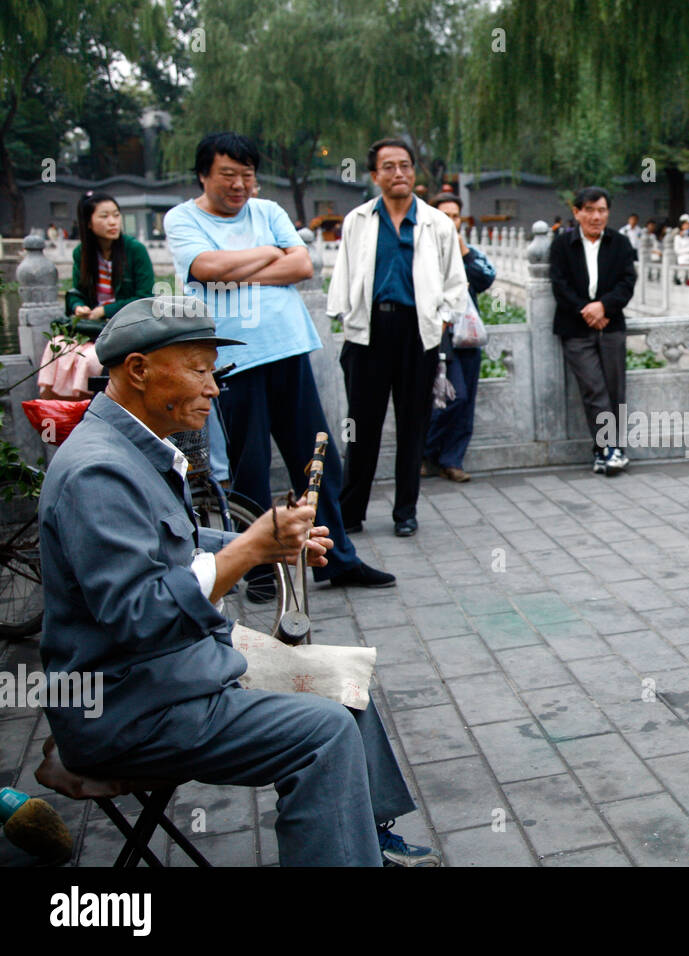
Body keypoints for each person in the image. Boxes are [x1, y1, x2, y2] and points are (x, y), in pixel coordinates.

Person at [39, 297, 438, 866]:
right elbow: (139, 613)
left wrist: (262, 546)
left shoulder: (129, 447)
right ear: (139, 370)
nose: (214, 387)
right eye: (199, 370)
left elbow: (172, 543)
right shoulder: (98, 470)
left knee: (344, 681)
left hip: (168, 675)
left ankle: (365, 839)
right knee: (322, 732)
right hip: (128, 707)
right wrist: (250, 548)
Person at [164, 131, 394, 589]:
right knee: (248, 470)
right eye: (228, 175)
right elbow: (205, 268)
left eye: (247, 176)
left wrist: (238, 265)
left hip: (287, 350)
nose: (239, 185)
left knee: (316, 459)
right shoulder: (182, 218)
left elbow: (302, 266)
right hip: (231, 361)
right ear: (204, 175)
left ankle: (337, 559)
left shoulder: (267, 210)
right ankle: (260, 572)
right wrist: (271, 253)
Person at [327, 138, 467, 537]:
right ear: (375, 175)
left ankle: (406, 511)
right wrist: (346, 319)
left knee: (413, 426)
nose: (399, 173)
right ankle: (351, 512)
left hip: (417, 332)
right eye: (388, 167)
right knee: (362, 426)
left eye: (405, 165)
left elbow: (455, 281)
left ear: (413, 172)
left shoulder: (437, 222)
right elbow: (343, 273)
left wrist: (440, 322)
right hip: (368, 333)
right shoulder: (357, 219)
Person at [549, 186, 638, 475]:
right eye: (589, 210)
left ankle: (605, 451)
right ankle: (611, 448)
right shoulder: (562, 244)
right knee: (594, 389)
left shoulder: (620, 243)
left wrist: (604, 307)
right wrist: (587, 310)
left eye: (601, 210)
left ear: (608, 213)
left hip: (610, 325)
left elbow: (627, 283)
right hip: (575, 328)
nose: (596, 216)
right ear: (577, 212)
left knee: (614, 389)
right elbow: (559, 285)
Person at [424, 191, 493, 483]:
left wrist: (462, 250)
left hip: (468, 336)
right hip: (438, 336)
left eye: (455, 216)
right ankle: (426, 453)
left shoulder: (470, 252)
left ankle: (453, 460)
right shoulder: (423, 253)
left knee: (466, 403)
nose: (451, 222)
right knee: (451, 397)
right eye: (444, 216)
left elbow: (485, 278)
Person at [65, 192, 155, 339]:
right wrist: (78, 307)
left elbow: (145, 298)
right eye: (104, 216)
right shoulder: (81, 253)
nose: (113, 222)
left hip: (129, 326)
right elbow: (77, 293)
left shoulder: (135, 250)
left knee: (89, 360)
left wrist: (104, 311)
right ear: (88, 222)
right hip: (93, 326)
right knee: (56, 345)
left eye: (116, 215)